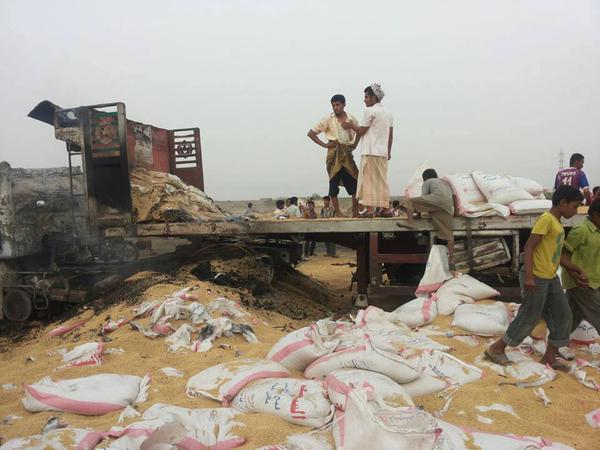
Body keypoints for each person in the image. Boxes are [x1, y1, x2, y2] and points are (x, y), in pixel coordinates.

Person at [485, 185, 585, 371]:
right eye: (575, 206)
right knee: (529, 315)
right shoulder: (546, 219)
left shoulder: (557, 223)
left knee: (564, 314)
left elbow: (557, 254)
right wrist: (529, 277)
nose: (576, 210)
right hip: (537, 276)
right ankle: (496, 349)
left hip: (551, 278)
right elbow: (529, 247)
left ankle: (549, 357)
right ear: (563, 203)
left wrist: (575, 269)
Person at [341, 83, 393, 217]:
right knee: (382, 181)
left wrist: (350, 124)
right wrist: (388, 151)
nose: (364, 99)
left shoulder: (370, 111)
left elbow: (361, 130)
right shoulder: (388, 113)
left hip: (370, 151)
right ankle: (385, 208)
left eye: (366, 97)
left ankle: (370, 210)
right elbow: (390, 134)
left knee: (368, 181)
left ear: (373, 98)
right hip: (382, 152)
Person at [308, 94, 360, 217]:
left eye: (338, 105)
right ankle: (338, 212)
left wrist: (354, 145)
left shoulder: (351, 118)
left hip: (347, 153)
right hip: (334, 153)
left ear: (344, 105)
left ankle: (355, 211)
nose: (335, 108)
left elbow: (359, 131)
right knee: (333, 181)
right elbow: (311, 133)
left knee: (355, 182)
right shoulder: (328, 119)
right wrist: (325, 145)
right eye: (333, 105)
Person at [562, 198, 600, 337]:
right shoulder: (581, 230)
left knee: (571, 317)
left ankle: (555, 347)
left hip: (594, 281)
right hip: (583, 283)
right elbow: (563, 256)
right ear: (595, 215)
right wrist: (574, 275)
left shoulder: (597, 231)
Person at [400, 169, 455, 262]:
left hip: (436, 200)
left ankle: (410, 223)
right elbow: (455, 197)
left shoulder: (428, 182)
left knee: (408, 202)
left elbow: (423, 198)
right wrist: (455, 213)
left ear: (425, 178)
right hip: (447, 207)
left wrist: (418, 215)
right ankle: (452, 258)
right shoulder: (446, 184)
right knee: (448, 234)